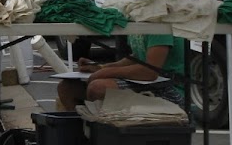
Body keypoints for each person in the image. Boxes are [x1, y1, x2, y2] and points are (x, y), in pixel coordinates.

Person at [56, 33, 187, 110]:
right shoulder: (138, 20)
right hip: (145, 84)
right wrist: (102, 67)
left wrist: (104, 73)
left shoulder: (158, 24)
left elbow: (149, 72)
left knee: (98, 88)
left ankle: (102, 136)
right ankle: (81, 138)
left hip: (170, 90)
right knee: (67, 88)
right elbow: (137, 57)